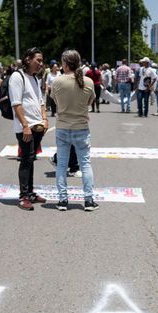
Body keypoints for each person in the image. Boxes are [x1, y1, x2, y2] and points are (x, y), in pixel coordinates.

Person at [51, 49, 98, 211]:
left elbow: (55, 102)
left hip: (63, 126)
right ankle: (89, 200)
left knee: (62, 166)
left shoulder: (57, 81)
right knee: (85, 164)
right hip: (81, 127)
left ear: (64, 63)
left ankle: (63, 200)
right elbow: (89, 102)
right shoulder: (88, 82)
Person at [10, 47, 48, 211]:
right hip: (25, 127)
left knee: (31, 159)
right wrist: (25, 126)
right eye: (38, 60)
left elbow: (40, 101)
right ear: (28, 60)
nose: (41, 63)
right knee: (26, 160)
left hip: (38, 126)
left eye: (41, 60)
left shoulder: (34, 78)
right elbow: (16, 103)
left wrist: (45, 119)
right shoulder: (17, 77)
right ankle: (24, 196)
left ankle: (31, 193)